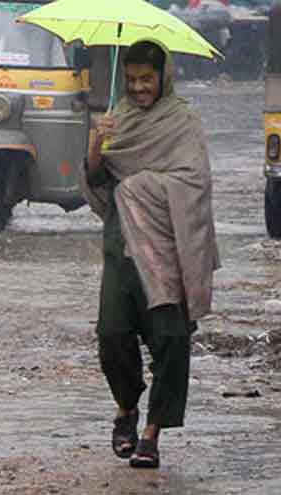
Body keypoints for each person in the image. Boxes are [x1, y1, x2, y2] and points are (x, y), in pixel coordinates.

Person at [81, 40, 220, 469]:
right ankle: (126, 408)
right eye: (132, 80)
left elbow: (194, 183)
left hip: (167, 248)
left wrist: (142, 187)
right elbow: (97, 181)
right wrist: (96, 144)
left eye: (147, 79)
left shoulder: (183, 120)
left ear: (164, 77)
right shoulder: (117, 119)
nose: (139, 87)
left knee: (171, 340)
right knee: (112, 336)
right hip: (121, 246)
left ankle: (151, 434)